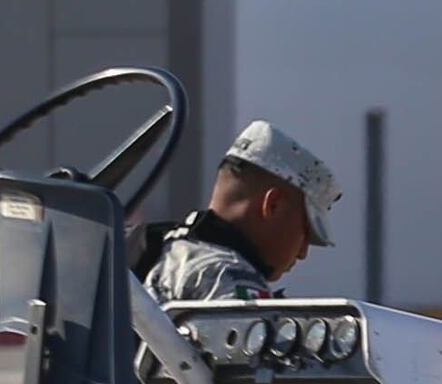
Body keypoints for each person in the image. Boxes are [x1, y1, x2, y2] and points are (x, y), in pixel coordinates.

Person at [143, 120, 344, 304]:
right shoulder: (228, 277)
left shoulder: (160, 248)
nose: (303, 254)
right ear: (273, 205)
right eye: (306, 233)